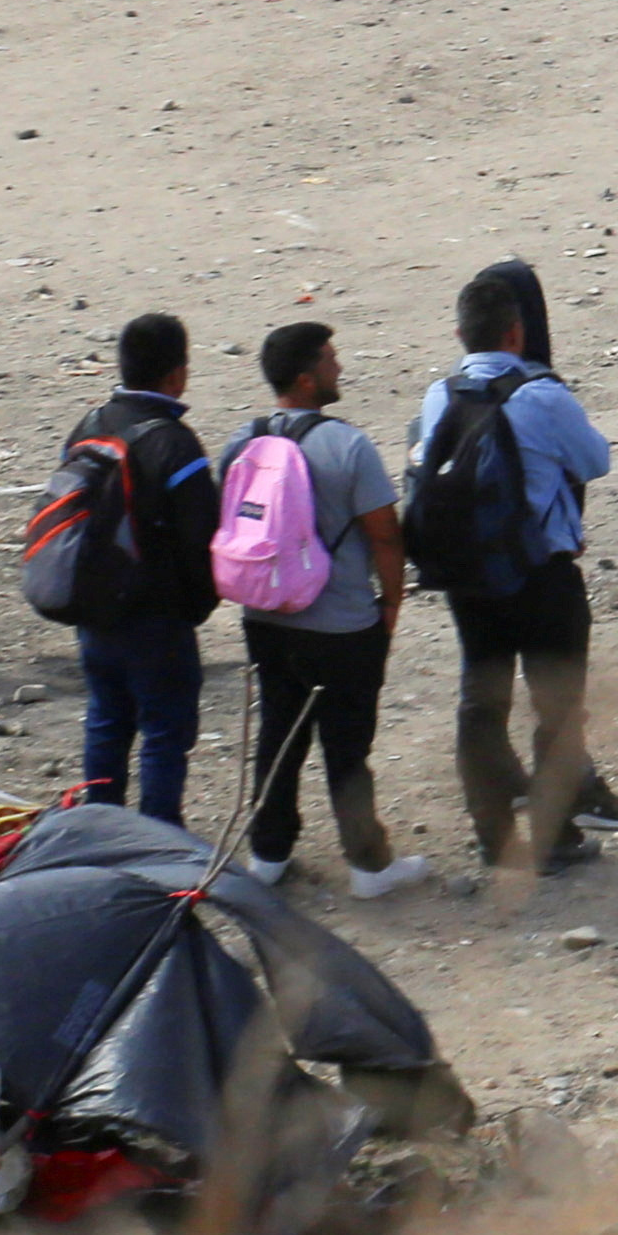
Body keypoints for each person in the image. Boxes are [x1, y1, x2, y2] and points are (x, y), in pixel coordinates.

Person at [411, 265, 615, 878]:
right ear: (516, 334)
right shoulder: (544, 396)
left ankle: (493, 838)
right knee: (556, 705)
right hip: (542, 573)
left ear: (459, 333)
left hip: (469, 575)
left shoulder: (438, 395)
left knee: (481, 701)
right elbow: (595, 460)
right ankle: (554, 837)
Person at [226, 320, 427, 895]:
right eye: (331, 360)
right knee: (346, 748)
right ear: (308, 378)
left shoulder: (243, 441)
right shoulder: (347, 445)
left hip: (265, 617)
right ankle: (368, 865)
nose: (340, 367)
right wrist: (390, 604)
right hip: (340, 623)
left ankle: (268, 853)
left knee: (278, 735)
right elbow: (385, 536)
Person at [62, 313, 222, 825]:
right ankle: (156, 847)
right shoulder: (175, 443)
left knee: (106, 724)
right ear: (177, 374)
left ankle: (98, 836)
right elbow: (203, 539)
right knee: (164, 736)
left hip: (93, 609)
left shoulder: (88, 426)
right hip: (157, 619)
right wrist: (194, 609)